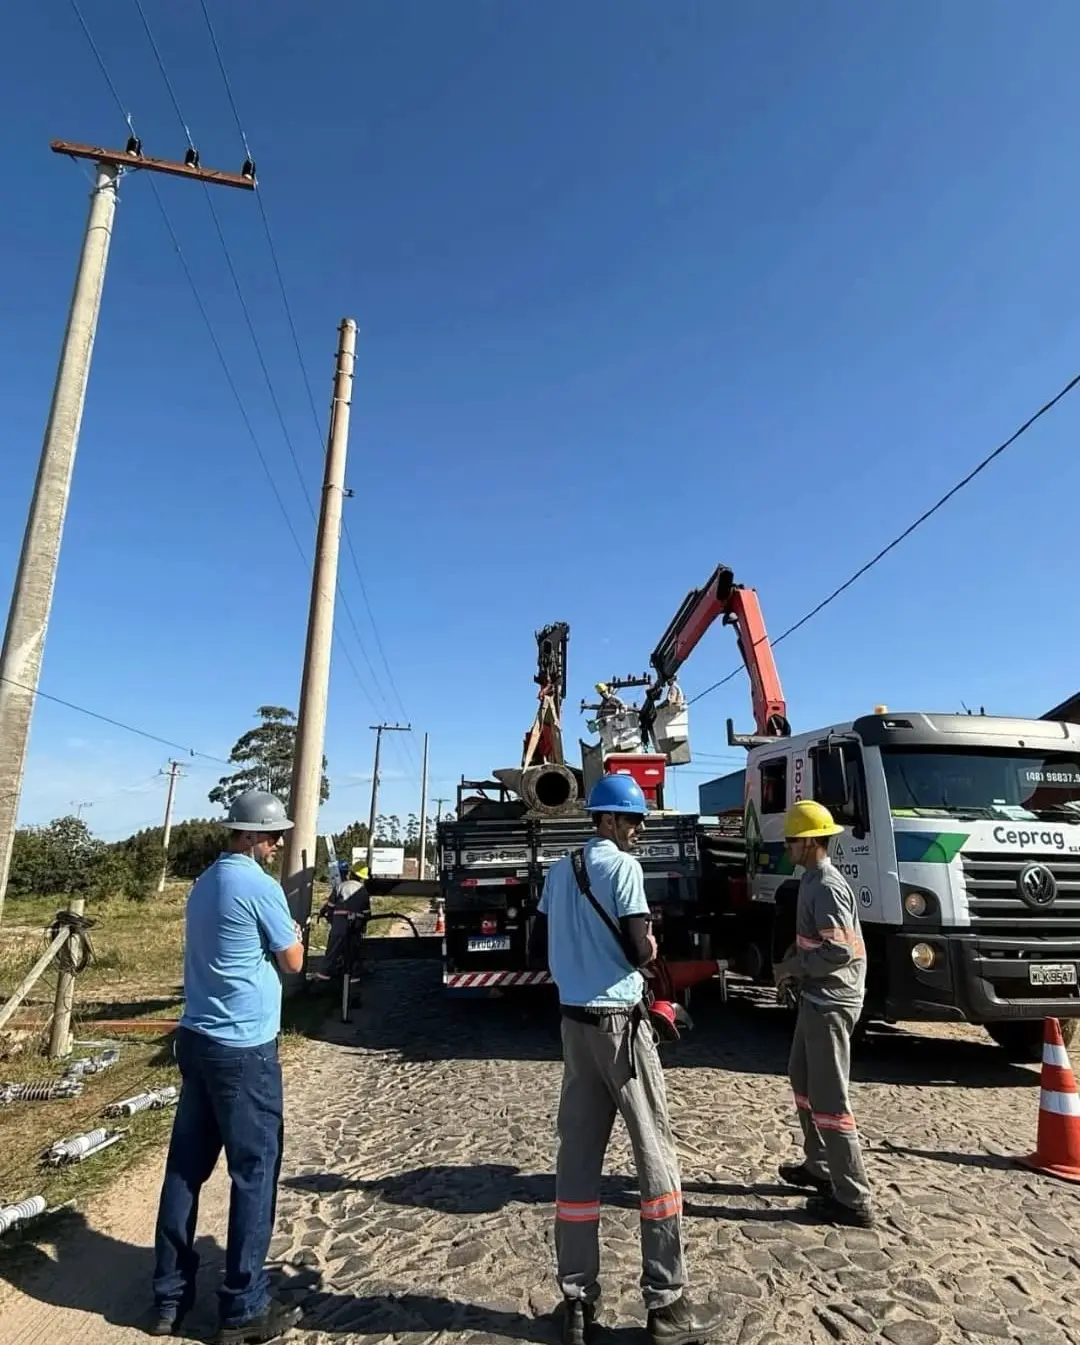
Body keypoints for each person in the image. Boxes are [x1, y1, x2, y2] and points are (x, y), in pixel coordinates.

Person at [529, 774, 720, 1345]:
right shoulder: (625, 869)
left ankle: (577, 1302)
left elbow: (545, 936)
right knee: (655, 1158)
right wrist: (651, 948)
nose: (637, 829)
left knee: (578, 1162)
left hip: (573, 1024)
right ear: (608, 821)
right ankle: (667, 1305)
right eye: (632, 819)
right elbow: (639, 948)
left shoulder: (560, 870)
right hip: (619, 1028)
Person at [152, 789, 305, 1343]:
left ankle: (168, 1297)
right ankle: (243, 1307)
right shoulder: (259, 886)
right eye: (272, 836)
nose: (276, 843)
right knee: (254, 1172)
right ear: (251, 835)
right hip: (244, 1049)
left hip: (195, 1038)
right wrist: (293, 937)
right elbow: (293, 960)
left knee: (185, 1169)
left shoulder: (206, 882)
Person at [772, 800, 874, 1229]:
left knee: (830, 1097)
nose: (787, 847)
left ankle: (853, 1198)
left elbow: (839, 951)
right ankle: (819, 1166)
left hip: (833, 1001)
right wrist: (793, 965)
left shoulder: (827, 886)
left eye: (792, 840)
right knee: (803, 1078)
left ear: (811, 842)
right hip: (817, 997)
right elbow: (816, 943)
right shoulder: (811, 880)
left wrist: (794, 968)